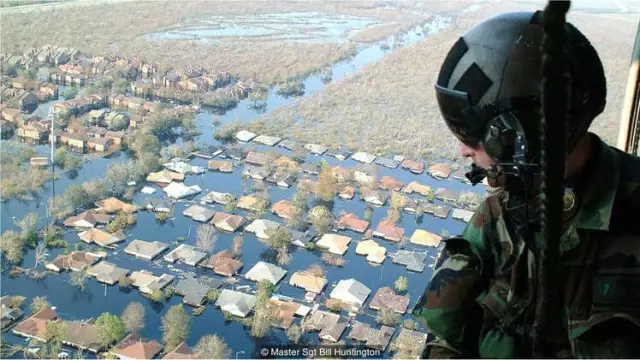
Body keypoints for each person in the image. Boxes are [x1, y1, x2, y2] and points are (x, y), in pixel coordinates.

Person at [413, 10, 640, 359]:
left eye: (471, 134)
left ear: (522, 138)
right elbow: (446, 337)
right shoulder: (497, 217)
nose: (463, 150)